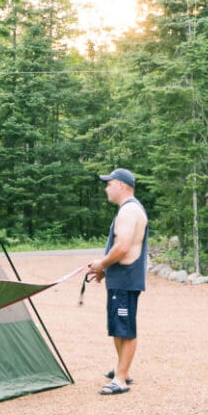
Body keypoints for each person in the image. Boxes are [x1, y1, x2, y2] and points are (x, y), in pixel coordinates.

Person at [86, 168, 149, 396]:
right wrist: (105, 270)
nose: (106, 188)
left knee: (126, 329)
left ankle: (121, 379)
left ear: (121, 185)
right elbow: (125, 248)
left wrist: (101, 264)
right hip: (120, 279)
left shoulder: (129, 211)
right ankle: (122, 369)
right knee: (117, 327)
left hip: (126, 280)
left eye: (109, 183)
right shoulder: (128, 210)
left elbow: (122, 247)